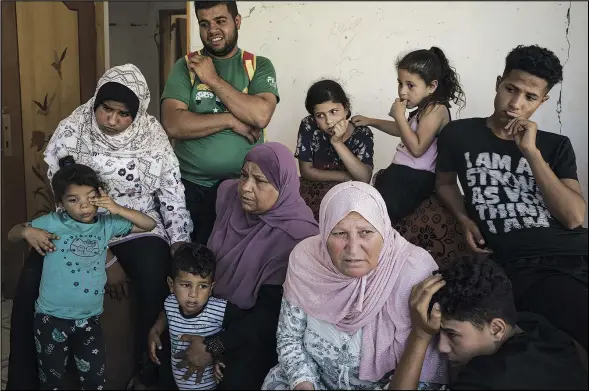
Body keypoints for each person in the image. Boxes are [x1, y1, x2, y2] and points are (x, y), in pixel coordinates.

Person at [7, 64, 192, 390]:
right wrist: (105, 258)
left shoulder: (152, 135)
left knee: (154, 273)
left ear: (137, 112)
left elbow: (171, 191)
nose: (112, 120)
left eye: (124, 114)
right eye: (106, 109)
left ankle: (146, 375)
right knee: (33, 274)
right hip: (80, 220)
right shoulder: (73, 130)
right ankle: (25, 381)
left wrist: (179, 241)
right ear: (96, 103)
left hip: (136, 222)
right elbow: (67, 195)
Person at [435, 44, 588, 350]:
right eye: (511, 89)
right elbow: (446, 184)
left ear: (542, 101)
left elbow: (574, 217)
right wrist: (463, 218)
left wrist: (530, 153)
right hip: (526, 266)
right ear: (498, 83)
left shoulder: (555, 145)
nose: (515, 104)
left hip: (577, 252)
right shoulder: (459, 134)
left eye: (530, 97)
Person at [262, 181, 448, 390]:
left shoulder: (412, 271)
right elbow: (290, 339)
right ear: (324, 233)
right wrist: (304, 384)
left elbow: (423, 369)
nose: (352, 248)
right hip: (311, 382)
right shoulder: (307, 259)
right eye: (339, 233)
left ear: (384, 231)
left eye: (366, 232)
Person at [168, 142, 319, 390]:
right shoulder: (227, 197)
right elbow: (196, 262)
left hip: (252, 330)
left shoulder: (297, 238)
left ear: (283, 186)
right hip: (208, 305)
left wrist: (215, 346)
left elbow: (269, 318)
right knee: (174, 352)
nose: (245, 188)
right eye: (244, 175)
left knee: (234, 378)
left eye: (260, 181)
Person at [7, 156, 157, 390]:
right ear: (61, 202)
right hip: (50, 319)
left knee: (94, 379)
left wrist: (116, 208)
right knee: (51, 379)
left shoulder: (107, 224)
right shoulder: (52, 222)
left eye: (90, 198)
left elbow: (149, 224)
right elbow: (12, 234)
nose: (84, 206)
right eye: (74, 200)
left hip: (89, 320)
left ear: (100, 195)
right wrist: (28, 233)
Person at [161, 0, 280, 245]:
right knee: (192, 265)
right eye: (204, 24)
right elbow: (173, 124)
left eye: (220, 21)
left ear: (237, 22)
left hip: (243, 187)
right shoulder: (186, 67)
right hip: (189, 186)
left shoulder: (257, 65)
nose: (212, 30)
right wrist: (229, 119)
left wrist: (212, 79)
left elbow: (260, 115)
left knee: (234, 261)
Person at [390, 256, 588, 390]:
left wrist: (421, 335)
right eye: (436, 334)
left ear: (496, 328)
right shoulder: (537, 326)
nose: (441, 347)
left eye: (452, 334)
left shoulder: (487, 379)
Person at [352, 47, 465, 220]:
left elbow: (418, 148)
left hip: (414, 178)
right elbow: (402, 131)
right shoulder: (423, 109)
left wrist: (399, 116)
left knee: (374, 218)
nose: (402, 92)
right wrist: (371, 121)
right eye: (400, 83)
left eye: (410, 85)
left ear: (431, 86)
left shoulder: (436, 109)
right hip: (400, 172)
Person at [148, 243, 230, 390]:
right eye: (186, 285)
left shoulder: (220, 309)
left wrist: (219, 354)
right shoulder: (171, 302)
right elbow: (166, 313)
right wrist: (156, 329)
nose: (193, 294)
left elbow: (239, 333)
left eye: (202, 286)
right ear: (171, 285)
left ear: (211, 288)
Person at [296, 79, 374, 220]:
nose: (329, 121)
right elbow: (306, 171)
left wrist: (337, 143)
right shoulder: (309, 126)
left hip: (348, 197)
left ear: (346, 109)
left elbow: (364, 178)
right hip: (312, 193)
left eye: (334, 111)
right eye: (320, 116)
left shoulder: (362, 133)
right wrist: (345, 177)